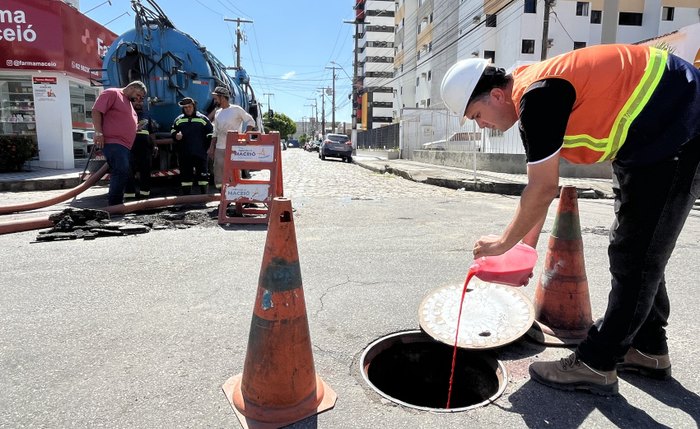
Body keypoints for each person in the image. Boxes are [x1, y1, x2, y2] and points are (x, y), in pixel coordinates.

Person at [440, 44, 700, 396]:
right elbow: (541, 190)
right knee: (638, 247)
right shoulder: (531, 95)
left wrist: (502, 245)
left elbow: (542, 189)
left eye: (476, 115)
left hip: (678, 125)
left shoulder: (539, 97)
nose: (482, 126)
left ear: (497, 95)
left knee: (636, 256)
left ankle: (597, 363)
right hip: (647, 141)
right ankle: (648, 348)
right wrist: (523, 252)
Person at [91, 81, 147, 205]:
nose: (139, 99)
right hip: (114, 142)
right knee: (121, 170)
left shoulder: (127, 102)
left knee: (123, 171)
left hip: (124, 145)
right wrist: (99, 132)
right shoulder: (113, 93)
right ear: (132, 87)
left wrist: (134, 127)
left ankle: (116, 203)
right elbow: (96, 111)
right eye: (139, 95)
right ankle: (115, 205)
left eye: (141, 97)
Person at [208, 86, 255, 190]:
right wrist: (211, 148)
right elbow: (215, 131)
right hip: (220, 147)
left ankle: (235, 195)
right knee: (218, 173)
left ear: (223, 98)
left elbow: (251, 121)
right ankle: (223, 196)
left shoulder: (236, 109)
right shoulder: (218, 112)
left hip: (234, 147)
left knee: (233, 172)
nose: (215, 100)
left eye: (216, 98)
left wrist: (245, 135)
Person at [171, 97, 213, 195]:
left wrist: (207, 146)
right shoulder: (178, 120)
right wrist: (175, 135)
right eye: (185, 107)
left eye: (189, 107)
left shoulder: (202, 119)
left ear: (194, 106)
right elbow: (173, 130)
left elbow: (211, 132)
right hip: (184, 154)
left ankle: (204, 197)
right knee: (186, 177)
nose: (188, 109)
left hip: (200, 153)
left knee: (203, 177)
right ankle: (187, 198)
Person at [125, 97, 157, 200]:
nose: (139, 103)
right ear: (131, 102)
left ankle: (145, 195)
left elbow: (151, 132)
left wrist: (155, 145)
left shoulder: (147, 115)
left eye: (140, 101)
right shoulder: (126, 114)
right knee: (128, 172)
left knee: (145, 172)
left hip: (145, 149)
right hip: (130, 148)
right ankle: (129, 196)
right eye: (136, 101)